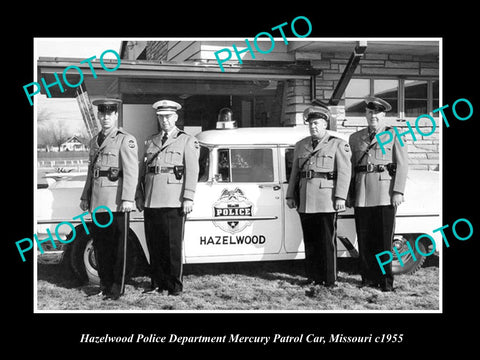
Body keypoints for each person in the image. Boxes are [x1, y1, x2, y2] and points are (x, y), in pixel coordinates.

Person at [136, 100, 199, 296]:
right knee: (154, 244)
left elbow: (193, 170)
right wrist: (139, 195)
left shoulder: (187, 140)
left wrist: (188, 197)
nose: (165, 120)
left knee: (172, 246)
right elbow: (142, 171)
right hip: (151, 199)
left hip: (174, 200)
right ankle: (156, 283)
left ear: (176, 117)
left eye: (168, 116)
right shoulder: (150, 141)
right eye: (161, 116)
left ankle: (173, 286)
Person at [286, 103, 351, 293]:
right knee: (311, 241)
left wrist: (340, 197)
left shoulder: (338, 144)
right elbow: (295, 173)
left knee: (326, 242)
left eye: (317, 123)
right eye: (311, 124)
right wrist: (291, 195)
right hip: (305, 199)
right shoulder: (301, 145)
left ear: (325, 124)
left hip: (327, 199)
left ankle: (329, 279)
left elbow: (345, 173)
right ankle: (313, 277)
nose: (313, 127)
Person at [347, 96, 408, 292]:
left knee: (383, 241)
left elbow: (402, 165)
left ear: (384, 115)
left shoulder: (394, 135)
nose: (373, 116)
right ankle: (367, 278)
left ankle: (385, 281)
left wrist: (398, 191)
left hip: (384, 193)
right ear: (365, 114)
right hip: (362, 193)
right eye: (369, 112)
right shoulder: (355, 138)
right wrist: (350, 194)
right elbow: (351, 168)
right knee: (364, 240)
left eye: (377, 113)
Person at [80, 98, 139, 300]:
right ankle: (104, 285)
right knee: (101, 246)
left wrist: (128, 199)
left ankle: (116, 288)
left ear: (116, 115)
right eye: (102, 114)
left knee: (118, 248)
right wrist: (85, 196)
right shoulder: (94, 141)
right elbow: (92, 172)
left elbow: (131, 172)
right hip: (98, 203)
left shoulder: (125, 139)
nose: (106, 118)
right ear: (98, 116)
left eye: (110, 114)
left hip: (116, 203)